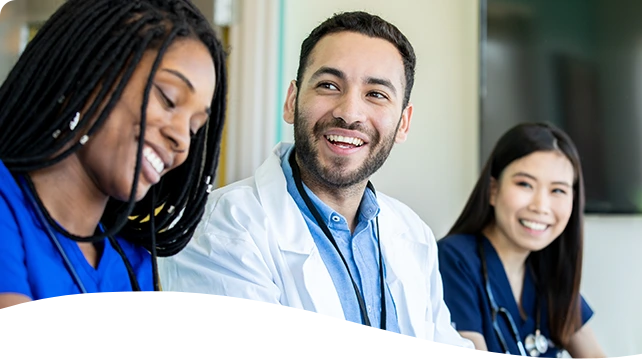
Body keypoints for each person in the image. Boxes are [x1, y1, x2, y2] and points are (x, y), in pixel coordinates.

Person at [158, 11, 474, 351]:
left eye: (376, 94)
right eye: (329, 85)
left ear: (403, 122)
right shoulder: (219, 228)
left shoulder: (414, 235)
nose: (349, 113)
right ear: (292, 101)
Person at [0, 0, 228, 308]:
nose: (180, 139)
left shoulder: (133, 266)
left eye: (194, 127)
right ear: (89, 73)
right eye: (168, 98)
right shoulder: (7, 207)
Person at [437, 123, 607, 359]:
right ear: (493, 190)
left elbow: (595, 356)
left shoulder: (547, 270)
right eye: (525, 184)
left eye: (558, 190)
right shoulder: (454, 260)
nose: (540, 206)